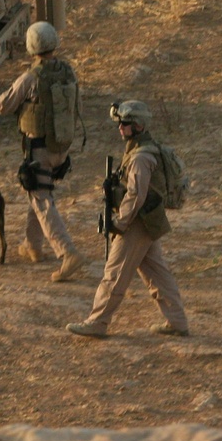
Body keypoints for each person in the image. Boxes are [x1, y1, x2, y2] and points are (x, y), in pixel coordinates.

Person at [66, 100, 189, 339]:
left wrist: (120, 224)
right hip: (148, 221)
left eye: (125, 124)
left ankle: (97, 322)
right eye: (120, 123)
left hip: (136, 222)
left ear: (139, 126)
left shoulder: (141, 157)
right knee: (157, 274)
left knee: (114, 273)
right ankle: (177, 322)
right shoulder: (142, 150)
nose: (120, 128)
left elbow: (136, 194)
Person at [0, 21, 87, 282]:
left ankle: (67, 253)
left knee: (42, 200)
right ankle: (33, 246)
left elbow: (2, 106)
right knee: (38, 194)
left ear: (31, 48)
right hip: (61, 147)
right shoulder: (68, 72)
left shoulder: (31, 78)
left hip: (39, 148)